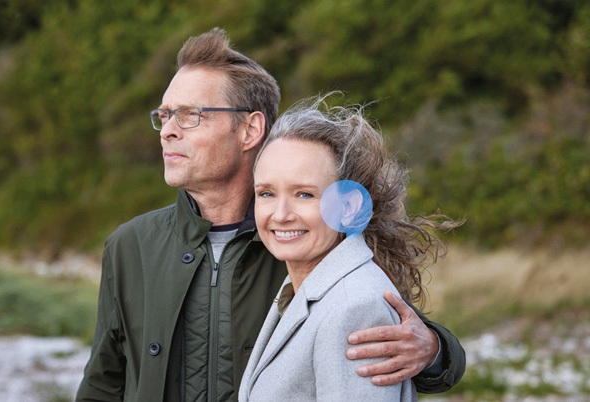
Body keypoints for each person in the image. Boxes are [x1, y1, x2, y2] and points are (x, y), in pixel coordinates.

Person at [76, 28, 465, 402]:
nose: (167, 131)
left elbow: (384, 323)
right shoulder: (130, 245)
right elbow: (103, 383)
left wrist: (432, 349)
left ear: (250, 129)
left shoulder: (303, 238)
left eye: (190, 115)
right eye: (164, 116)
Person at [239, 98, 461, 401]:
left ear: (348, 206)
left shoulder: (354, 309)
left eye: (304, 194)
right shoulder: (301, 284)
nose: (280, 214)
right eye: (266, 193)